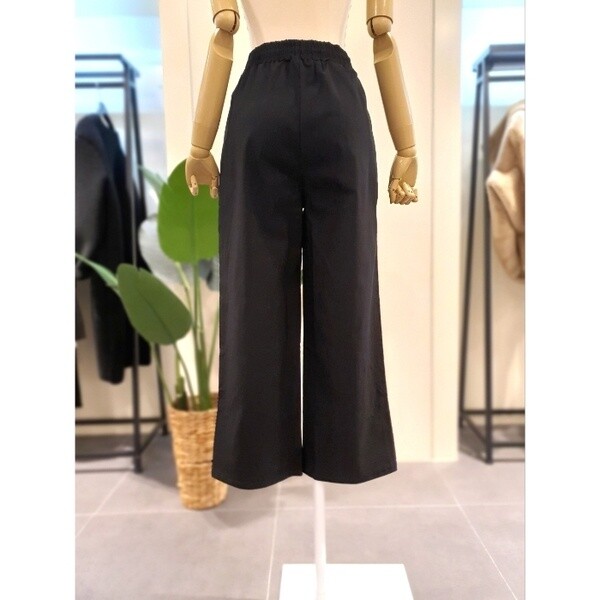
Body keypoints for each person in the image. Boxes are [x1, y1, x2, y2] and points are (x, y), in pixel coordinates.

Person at [185, 0, 419, 490]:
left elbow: (224, 31)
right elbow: (382, 35)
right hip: (338, 106)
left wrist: (199, 146)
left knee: (253, 288)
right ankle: (345, 454)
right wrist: (407, 148)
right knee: (347, 285)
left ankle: (257, 457)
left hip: (259, 105)